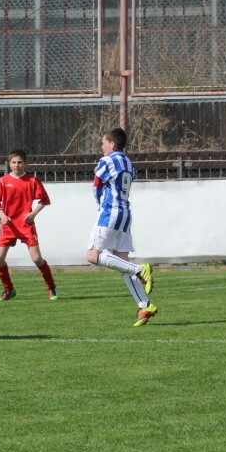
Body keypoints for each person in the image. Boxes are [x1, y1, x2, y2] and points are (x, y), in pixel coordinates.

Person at [85, 128, 156, 327]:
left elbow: (97, 186)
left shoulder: (106, 160)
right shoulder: (128, 163)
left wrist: (101, 205)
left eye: (103, 143)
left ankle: (140, 269)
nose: (101, 147)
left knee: (92, 255)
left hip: (109, 213)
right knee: (122, 265)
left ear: (112, 145)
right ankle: (145, 304)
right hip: (126, 214)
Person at [0, 149, 58, 301]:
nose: (17, 165)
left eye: (20, 162)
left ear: (25, 164)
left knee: (36, 259)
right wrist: (2, 215)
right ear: (9, 164)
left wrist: (33, 213)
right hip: (8, 226)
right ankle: (9, 289)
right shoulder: (3, 181)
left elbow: (44, 201)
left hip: (25, 225)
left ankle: (51, 287)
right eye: (14, 162)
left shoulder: (32, 181)